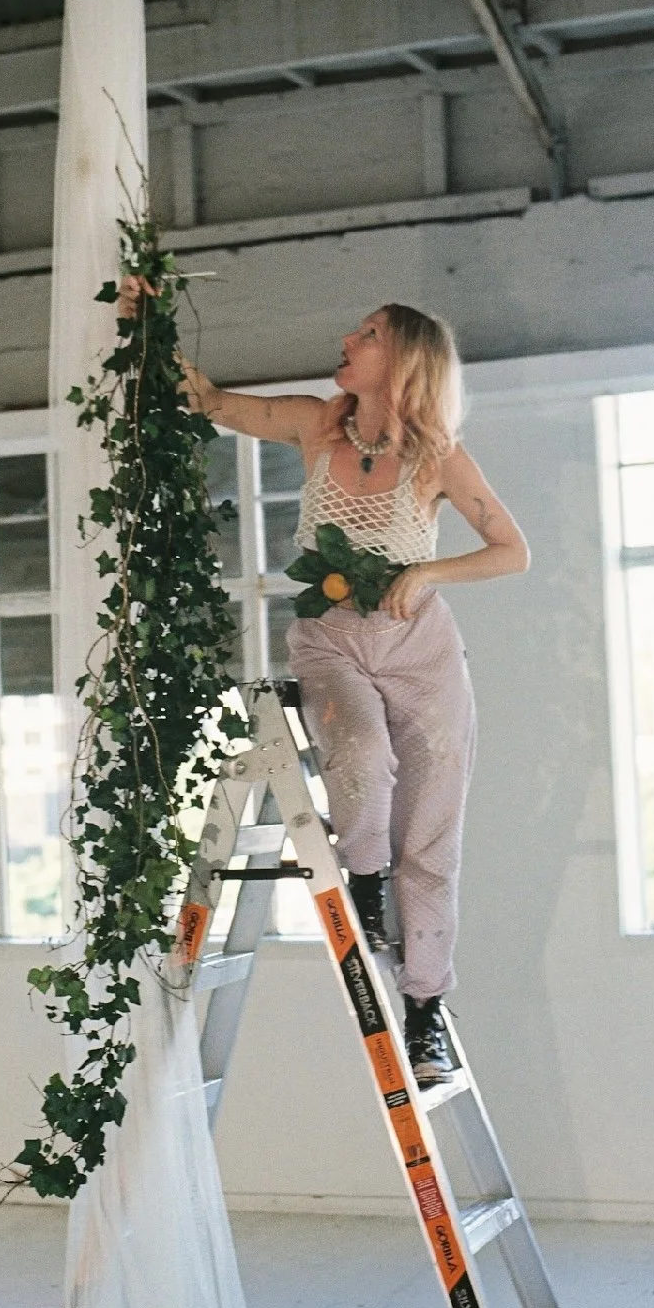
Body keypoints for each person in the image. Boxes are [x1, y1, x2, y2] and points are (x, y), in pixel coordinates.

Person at [136, 287, 529, 1087]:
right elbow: (209, 401)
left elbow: (511, 550)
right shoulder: (319, 423)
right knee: (358, 754)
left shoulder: (438, 456)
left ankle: (424, 1012)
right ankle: (365, 880)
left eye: (370, 333)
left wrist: (428, 569)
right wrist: (145, 324)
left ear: (405, 359)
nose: (347, 337)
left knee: (434, 836)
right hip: (330, 642)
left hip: (422, 650)